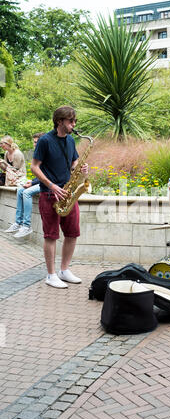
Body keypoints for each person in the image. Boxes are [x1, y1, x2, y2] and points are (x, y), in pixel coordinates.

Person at [31, 106, 89, 289]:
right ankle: (51, 275)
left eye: (75, 121)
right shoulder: (45, 141)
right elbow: (34, 166)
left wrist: (80, 167)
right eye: (71, 121)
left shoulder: (71, 141)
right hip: (50, 193)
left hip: (68, 193)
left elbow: (74, 162)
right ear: (59, 121)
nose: (74, 124)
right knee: (51, 236)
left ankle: (64, 270)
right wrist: (51, 185)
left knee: (72, 233)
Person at [4, 133, 44, 238]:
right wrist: (32, 182)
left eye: (36, 142)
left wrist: (33, 183)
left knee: (26, 192)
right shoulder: (38, 152)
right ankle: (18, 223)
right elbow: (40, 173)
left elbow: (46, 174)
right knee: (20, 190)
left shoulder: (45, 153)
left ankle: (26, 226)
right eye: (34, 142)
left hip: (48, 183)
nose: (34, 144)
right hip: (40, 181)